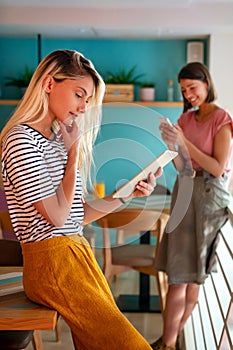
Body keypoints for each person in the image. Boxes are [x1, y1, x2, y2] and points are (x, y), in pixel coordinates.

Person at [0, 49, 162, 350]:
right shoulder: (20, 139)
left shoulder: (53, 142)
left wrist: (126, 193)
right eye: (79, 95)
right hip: (53, 262)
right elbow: (57, 218)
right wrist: (73, 152)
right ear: (49, 84)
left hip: (74, 255)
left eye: (87, 100)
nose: (83, 107)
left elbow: (74, 217)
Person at [151, 62, 233, 350]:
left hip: (209, 196)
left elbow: (217, 166)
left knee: (193, 276)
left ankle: (170, 339)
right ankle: (169, 340)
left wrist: (185, 142)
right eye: (185, 90)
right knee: (178, 274)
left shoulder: (222, 119)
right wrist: (173, 145)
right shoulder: (185, 119)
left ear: (207, 85)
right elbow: (182, 166)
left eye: (193, 88)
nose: (189, 95)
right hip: (185, 190)